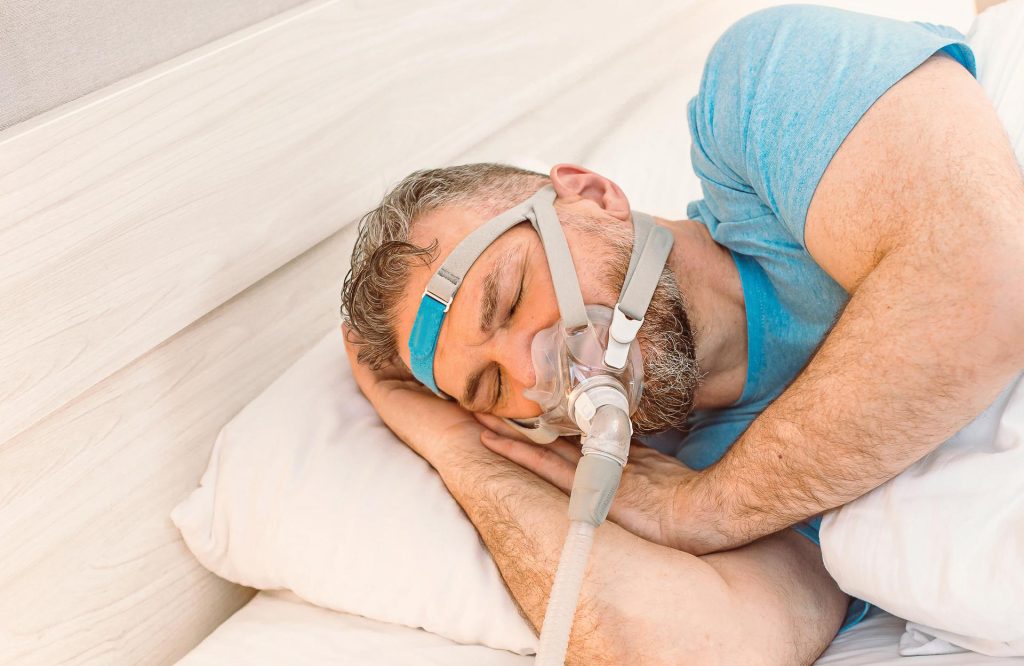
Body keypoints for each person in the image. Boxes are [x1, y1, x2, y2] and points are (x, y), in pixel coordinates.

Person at [340, 5, 1024, 664]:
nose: (530, 374)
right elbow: (690, 655)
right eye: (489, 387)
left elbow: (990, 280)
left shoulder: (761, 89)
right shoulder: (702, 468)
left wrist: (712, 509)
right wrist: (459, 448)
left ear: (592, 195)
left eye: (512, 298)